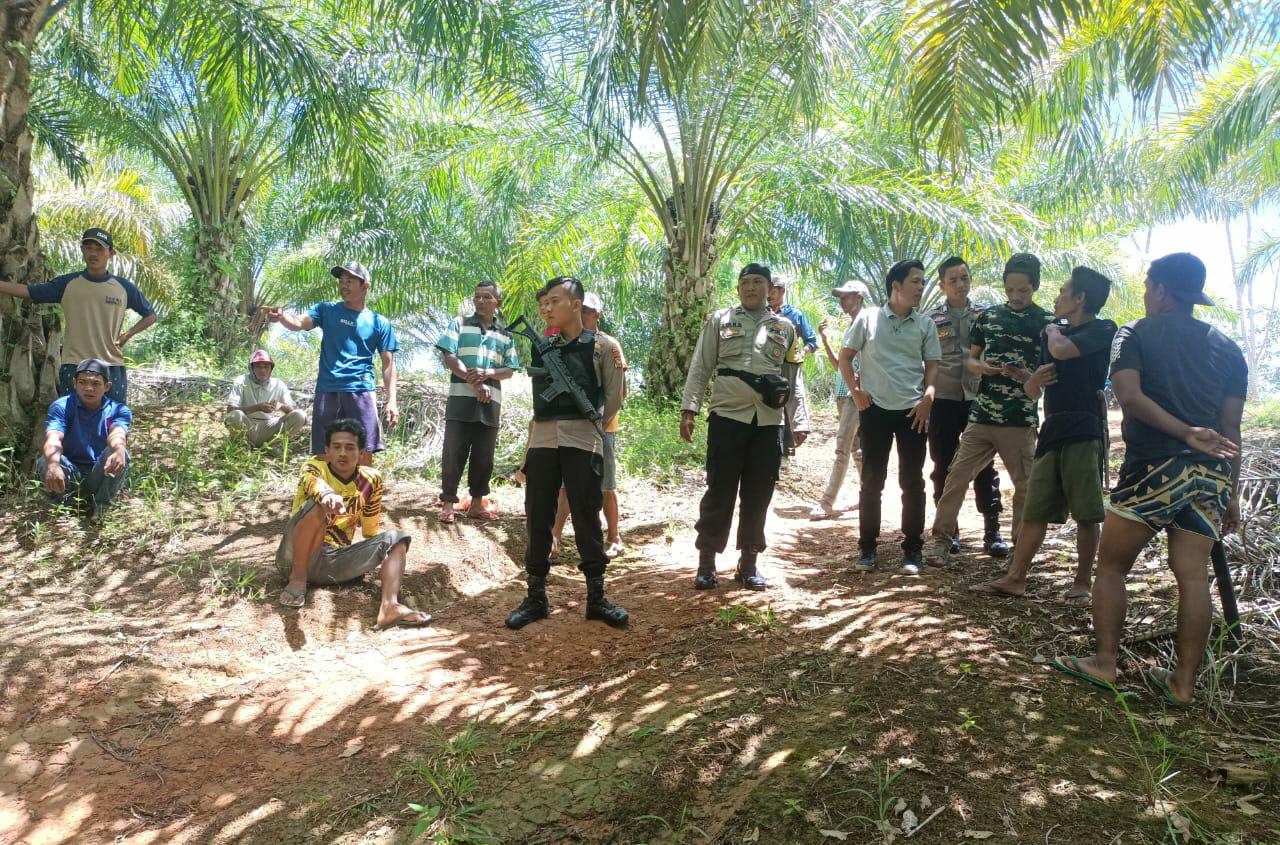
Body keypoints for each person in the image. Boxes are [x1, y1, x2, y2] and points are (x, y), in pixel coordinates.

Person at [1055, 254, 1245, 704]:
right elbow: (1231, 430)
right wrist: (1230, 493)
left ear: (1160, 290)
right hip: (1211, 476)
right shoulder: (1229, 349)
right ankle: (1182, 683)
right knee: (1194, 579)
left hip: (1154, 469)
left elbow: (1130, 398)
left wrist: (1182, 433)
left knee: (1113, 566)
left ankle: (1105, 663)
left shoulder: (1134, 333)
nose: (1144, 294)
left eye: (1147, 286)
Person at [973, 268, 1118, 602]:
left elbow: (1065, 350)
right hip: (1052, 428)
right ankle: (1015, 577)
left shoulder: (1102, 329)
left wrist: (1052, 329)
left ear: (1081, 298)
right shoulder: (1053, 334)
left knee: (1086, 511)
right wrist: (1031, 377)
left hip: (1084, 427)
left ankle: (1082, 583)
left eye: (1065, 292)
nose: (1056, 298)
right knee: (1034, 508)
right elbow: (1032, 391)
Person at [505, 277, 628, 630]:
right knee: (538, 514)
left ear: (576, 305)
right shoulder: (542, 346)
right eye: (544, 303)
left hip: (583, 439)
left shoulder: (604, 347)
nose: (546, 308)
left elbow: (615, 396)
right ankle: (536, 597)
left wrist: (591, 427)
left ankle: (597, 597)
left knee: (587, 516)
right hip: (543, 439)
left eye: (554, 301)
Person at [681, 263, 809, 590]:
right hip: (727, 417)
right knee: (719, 491)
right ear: (738, 288)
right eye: (745, 282)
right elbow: (701, 366)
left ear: (770, 289)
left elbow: (793, 380)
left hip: (767, 422)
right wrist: (689, 409)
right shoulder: (720, 320)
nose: (751, 287)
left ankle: (749, 562)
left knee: (758, 494)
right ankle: (706, 561)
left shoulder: (786, 328)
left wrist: (798, 420)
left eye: (758, 282)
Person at [925, 253, 1052, 565]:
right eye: (1010, 290)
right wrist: (984, 368)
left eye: (1023, 290)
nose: (1016, 296)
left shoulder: (1048, 322)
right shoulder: (989, 317)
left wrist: (1030, 377)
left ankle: (1018, 552)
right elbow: (971, 358)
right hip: (982, 413)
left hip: (1019, 418)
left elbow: (1059, 360)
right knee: (955, 476)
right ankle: (941, 541)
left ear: (1034, 286)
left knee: (1024, 485)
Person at [275, 417, 431, 629]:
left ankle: (389, 607)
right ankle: (298, 578)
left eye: (350, 448)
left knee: (397, 538)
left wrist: (376, 554)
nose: (342, 453)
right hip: (294, 556)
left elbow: (370, 529)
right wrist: (327, 495)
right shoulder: (314, 467)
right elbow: (313, 483)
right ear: (327, 450)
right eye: (336, 447)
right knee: (316, 505)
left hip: (332, 561)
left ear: (362, 453)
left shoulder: (372, 479)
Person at [840, 260, 940, 574]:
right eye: (916, 281)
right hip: (875, 411)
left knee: (912, 482)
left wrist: (928, 397)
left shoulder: (925, 324)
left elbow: (932, 365)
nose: (921, 287)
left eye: (923, 282)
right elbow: (846, 357)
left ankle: (913, 550)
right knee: (872, 481)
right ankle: (867, 548)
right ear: (895, 286)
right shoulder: (868, 319)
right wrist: (856, 394)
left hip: (913, 412)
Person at [0, 228, 156, 404]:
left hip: (111, 366)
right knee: (73, 423)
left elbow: (150, 315)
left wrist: (127, 335)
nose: (93, 253)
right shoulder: (67, 284)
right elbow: (28, 291)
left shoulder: (124, 288)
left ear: (111, 253)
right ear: (82, 250)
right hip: (74, 366)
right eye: (88, 247)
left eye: (99, 248)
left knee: (113, 423)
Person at [267, 262, 399, 464]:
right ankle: (325, 494)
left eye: (350, 281)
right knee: (324, 450)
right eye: (341, 281)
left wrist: (392, 400)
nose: (343, 286)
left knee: (364, 450)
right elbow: (299, 323)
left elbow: (388, 363)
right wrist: (282, 317)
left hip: (360, 389)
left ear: (365, 286)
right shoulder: (326, 310)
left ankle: (361, 495)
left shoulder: (379, 322)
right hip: (327, 388)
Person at [925, 257, 1006, 555]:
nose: (960, 284)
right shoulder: (930, 319)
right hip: (943, 401)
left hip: (978, 400)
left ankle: (992, 531)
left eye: (964, 277)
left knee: (984, 466)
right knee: (943, 466)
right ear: (942, 284)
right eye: (953, 279)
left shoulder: (986, 316)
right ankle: (950, 532)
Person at [551, 291, 628, 558]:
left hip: (602, 426)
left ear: (596, 314)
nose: (581, 315)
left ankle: (614, 537)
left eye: (586, 311)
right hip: (569, 426)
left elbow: (615, 394)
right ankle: (554, 538)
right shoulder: (559, 343)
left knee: (606, 483)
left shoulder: (607, 345)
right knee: (565, 484)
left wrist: (599, 423)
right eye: (578, 310)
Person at [435, 281, 519, 523]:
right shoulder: (459, 324)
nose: (480, 301)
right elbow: (448, 356)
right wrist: (474, 382)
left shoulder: (505, 335)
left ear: (497, 303)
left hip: (491, 403)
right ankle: (448, 504)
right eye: (477, 297)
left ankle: (477, 504)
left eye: (486, 297)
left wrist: (488, 374)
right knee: (454, 452)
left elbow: (511, 368)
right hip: (461, 399)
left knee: (484, 456)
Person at [37, 358, 132, 517]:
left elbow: (117, 434)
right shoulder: (61, 406)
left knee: (119, 453)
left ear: (107, 386)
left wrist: (119, 449)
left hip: (99, 473)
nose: (88, 388)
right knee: (46, 460)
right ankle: (64, 506)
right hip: (70, 473)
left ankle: (101, 506)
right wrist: (53, 464)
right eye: (82, 382)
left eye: (96, 384)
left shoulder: (118, 410)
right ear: (74, 383)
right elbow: (53, 438)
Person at [809, 280, 870, 520]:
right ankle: (869, 494)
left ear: (858, 297)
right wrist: (824, 340)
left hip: (855, 395)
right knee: (854, 448)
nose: (842, 301)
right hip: (844, 395)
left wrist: (859, 384)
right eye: (841, 297)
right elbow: (839, 367)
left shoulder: (866, 324)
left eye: (846, 296)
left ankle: (826, 502)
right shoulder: (851, 327)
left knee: (842, 446)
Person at [767, 276, 816, 464]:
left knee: (791, 404)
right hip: (768, 367)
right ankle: (771, 450)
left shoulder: (794, 315)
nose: (769, 293)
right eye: (768, 288)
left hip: (789, 367)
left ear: (781, 291)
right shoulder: (762, 313)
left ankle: (787, 450)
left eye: (773, 289)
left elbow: (811, 341)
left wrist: (802, 352)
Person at [224, 349, 308, 448]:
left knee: (300, 415)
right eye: (258, 367)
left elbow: (293, 411)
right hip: (246, 425)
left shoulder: (278, 384)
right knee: (234, 416)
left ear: (271, 369)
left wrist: (281, 406)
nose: (262, 370)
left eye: (266, 367)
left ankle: (273, 446)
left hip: (269, 427)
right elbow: (230, 410)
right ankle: (243, 446)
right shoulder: (241, 380)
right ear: (251, 368)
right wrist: (257, 408)